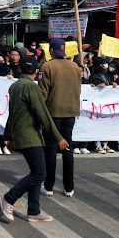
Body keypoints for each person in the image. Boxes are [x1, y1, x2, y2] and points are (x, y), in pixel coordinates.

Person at [0, 56, 69, 223]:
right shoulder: (31, 87)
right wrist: (58, 137)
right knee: (40, 173)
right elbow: (43, 114)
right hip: (30, 135)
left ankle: (34, 210)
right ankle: (9, 198)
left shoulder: (15, 86)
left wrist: (8, 136)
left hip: (21, 134)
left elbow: (12, 114)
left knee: (36, 171)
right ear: (36, 71)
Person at [38, 38, 80, 198]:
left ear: (51, 51)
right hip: (70, 112)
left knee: (51, 149)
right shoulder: (75, 67)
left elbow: (43, 93)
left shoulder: (47, 66)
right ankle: (69, 187)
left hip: (53, 113)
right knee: (67, 149)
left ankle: (49, 186)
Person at [88, 57, 115, 154]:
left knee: (106, 124)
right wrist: (96, 86)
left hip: (107, 104)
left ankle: (105, 144)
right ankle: (97, 144)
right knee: (97, 124)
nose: (105, 68)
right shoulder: (93, 77)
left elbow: (110, 84)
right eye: (103, 66)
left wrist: (113, 84)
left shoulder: (108, 76)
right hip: (97, 105)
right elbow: (90, 88)